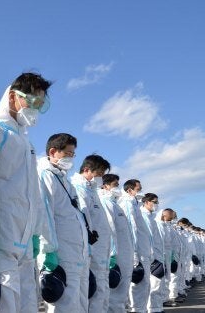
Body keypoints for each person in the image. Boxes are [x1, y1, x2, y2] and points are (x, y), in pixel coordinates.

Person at [0, 72, 54, 313]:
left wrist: (36, 234)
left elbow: (34, 195)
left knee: (27, 307)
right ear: (13, 97)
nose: (35, 108)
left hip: (24, 246)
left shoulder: (27, 144)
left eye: (40, 104)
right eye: (32, 101)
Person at [38, 133, 90, 313]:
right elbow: (44, 216)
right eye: (68, 154)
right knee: (64, 305)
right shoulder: (45, 176)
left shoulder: (65, 181)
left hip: (77, 253)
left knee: (79, 303)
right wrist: (49, 251)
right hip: (60, 254)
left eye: (73, 154)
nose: (71, 158)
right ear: (53, 152)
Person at [70, 155, 113, 313]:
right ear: (87, 170)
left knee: (100, 287)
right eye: (99, 174)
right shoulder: (77, 188)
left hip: (100, 250)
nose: (101, 178)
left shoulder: (92, 190)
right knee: (93, 290)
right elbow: (83, 220)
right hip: (91, 249)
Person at [98, 174, 135, 313]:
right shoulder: (105, 202)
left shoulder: (115, 204)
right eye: (115, 185)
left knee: (122, 290)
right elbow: (109, 229)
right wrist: (113, 254)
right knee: (115, 291)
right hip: (117, 255)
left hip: (125, 253)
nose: (117, 188)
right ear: (105, 186)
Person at [118, 179, 151, 313]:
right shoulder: (127, 204)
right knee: (139, 285)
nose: (141, 191)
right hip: (137, 251)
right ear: (129, 190)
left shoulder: (134, 204)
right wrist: (135, 254)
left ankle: (140, 309)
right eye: (139, 189)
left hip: (143, 250)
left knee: (144, 285)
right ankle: (137, 310)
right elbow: (132, 230)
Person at [140, 193, 164, 313]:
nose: (156, 205)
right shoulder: (142, 216)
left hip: (156, 255)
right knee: (149, 284)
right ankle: (152, 309)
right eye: (155, 202)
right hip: (148, 255)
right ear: (146, 202)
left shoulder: (152, 218)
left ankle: (156, 308)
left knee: (156, 283)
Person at [158, 208, 180, 308]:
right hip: (160, 255)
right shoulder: (158, 225)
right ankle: (162, 300)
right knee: (160, 280)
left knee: (167, 278)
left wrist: (172, 257)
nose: (173, 218)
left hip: (168, 255)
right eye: (171, 216)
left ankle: (166, 298)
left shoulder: (168, 227)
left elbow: (171, 244)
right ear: (164, 215)